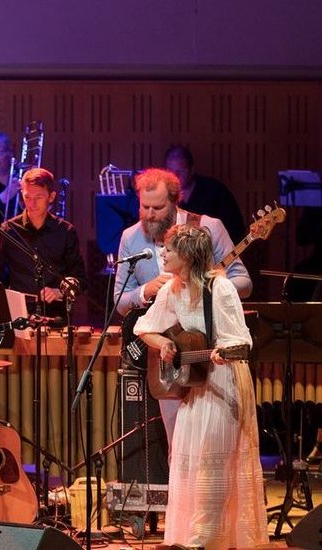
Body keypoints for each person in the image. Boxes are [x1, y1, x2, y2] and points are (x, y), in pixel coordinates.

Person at [133, 224, 268, 550]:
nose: (162, 254)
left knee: (214, 462)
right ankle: (188, 538)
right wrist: (164, 341)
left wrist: (223, 352)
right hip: (194, 385)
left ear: (188, 256)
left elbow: (241, 342)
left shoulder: (220, 289)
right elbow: (143, 327)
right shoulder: (170, 290)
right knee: (190, 459)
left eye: (169, 249)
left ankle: (202, 541)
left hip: (224, 379)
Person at [114, 168, 252, 446]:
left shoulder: (208, 226)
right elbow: (120, 300)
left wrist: (210, 284)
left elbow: (245, 282)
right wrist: (146, 290)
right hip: (169, 357)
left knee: (213, 445)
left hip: (211, 353)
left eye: (158, 207)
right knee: (177, 445)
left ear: (176, 201)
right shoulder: (131, 237)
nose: (150, 214)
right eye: (144, 206)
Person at [0, 167, 87, 321]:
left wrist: (59, 292)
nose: (31, 203)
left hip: (56, 316)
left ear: (51, 197)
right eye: (27, 197)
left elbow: (80, 279)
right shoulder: (9, 230)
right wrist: (6, 299)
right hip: (19, 316)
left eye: (38, 197)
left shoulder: (66, 232)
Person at [164, 145, 246, 244]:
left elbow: (236, 228)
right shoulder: (162, 195)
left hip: (212, 252)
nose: (175, 176)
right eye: (170, 171)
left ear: (192, 169)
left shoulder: (215, 191)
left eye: (180, 170)